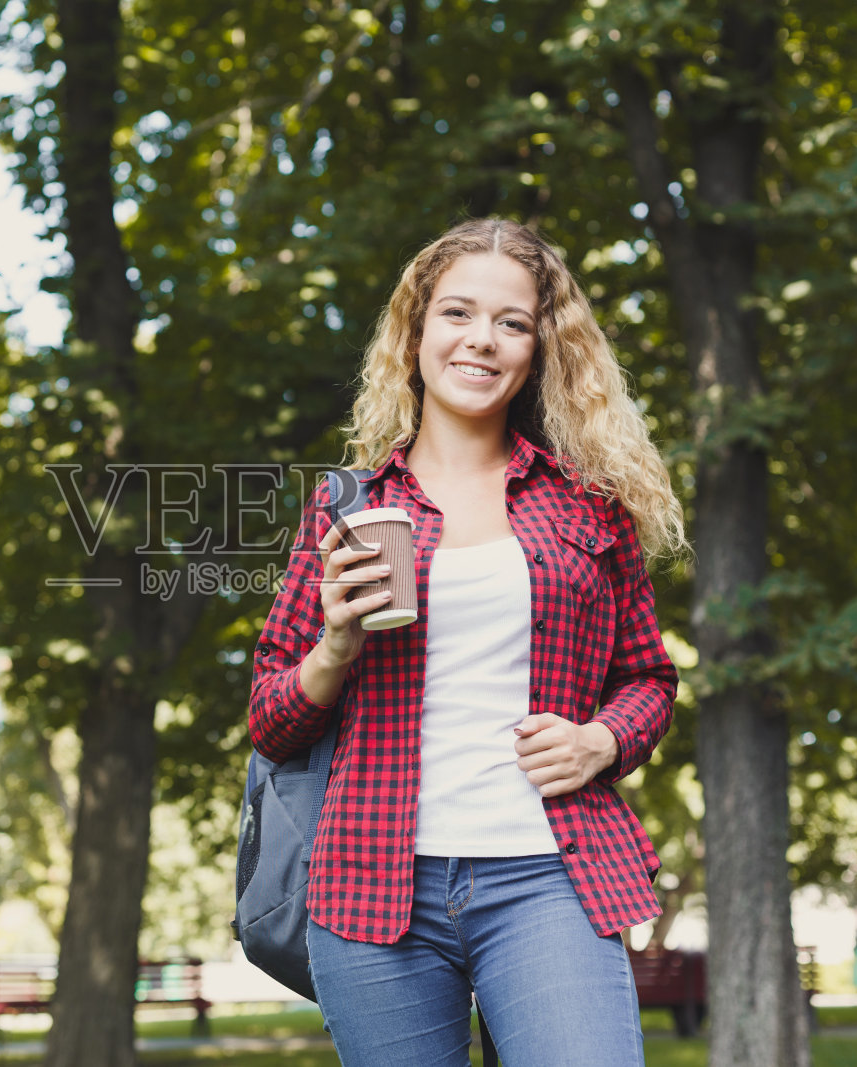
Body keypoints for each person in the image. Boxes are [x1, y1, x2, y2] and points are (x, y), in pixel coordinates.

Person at [248, 217, 686, 1066]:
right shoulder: (349, 509)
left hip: (549, 875)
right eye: (457, 313)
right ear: (417, 332)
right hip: (375, 885)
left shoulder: (589, 507)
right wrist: (335, 645)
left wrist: (601, 739)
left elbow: (649, 679)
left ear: (540, 347)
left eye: (512, 321)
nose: (481, 339)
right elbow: (272, 718)